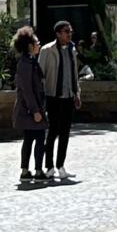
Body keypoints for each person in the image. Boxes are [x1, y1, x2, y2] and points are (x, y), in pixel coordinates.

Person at [44, 20, 84, 182]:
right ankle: (49, 166)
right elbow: (41, 75)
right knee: (53, 131)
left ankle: (61, 165)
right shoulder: (47, 50)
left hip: (68, 96)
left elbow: (74, 74)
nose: (69, 34)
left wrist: (77, 93)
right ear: (58, 34)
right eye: (66, 31)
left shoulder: (72, 50)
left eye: (70, 31)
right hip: (53, 96)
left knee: (65, 133)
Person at [11, 25, 50, 188]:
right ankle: (37, 170)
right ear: (29, 46)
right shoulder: (26, 64)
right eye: (36, 43)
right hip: (30, 110)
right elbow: (27, 89)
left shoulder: (30, 62)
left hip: (31, 108)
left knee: (29, 139)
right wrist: (35, 110)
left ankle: (26, 169)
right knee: (38, 138)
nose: (39, 45)